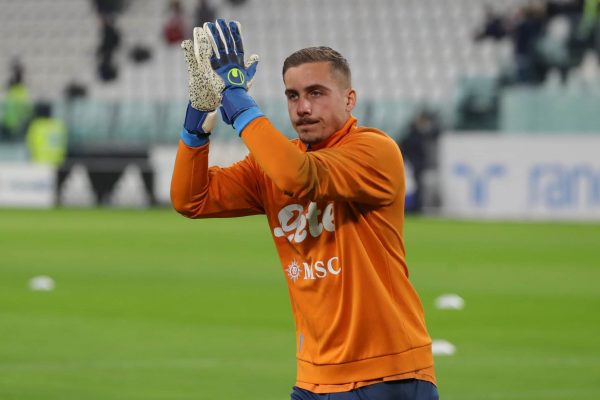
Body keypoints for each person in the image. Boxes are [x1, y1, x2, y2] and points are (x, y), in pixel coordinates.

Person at [171, 19, 438, 400]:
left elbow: (298, 177)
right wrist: (197, 122)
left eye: (316, 93)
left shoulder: (374, 151)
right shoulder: (276, 161)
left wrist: (237, 99)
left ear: (349, 99)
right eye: (292, 96)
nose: (304, 107)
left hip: (387, 374)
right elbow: (190, 200)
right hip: (314, 377)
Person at [25, 102, 68, 166]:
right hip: (58, 162)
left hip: (40, 161)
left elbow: (29, 143)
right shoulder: (59, 125)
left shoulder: (36, 125)